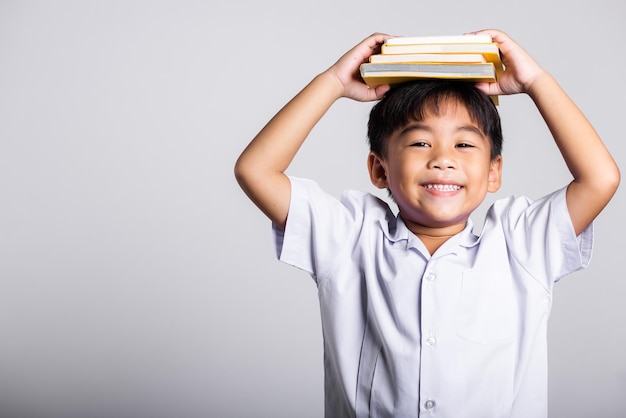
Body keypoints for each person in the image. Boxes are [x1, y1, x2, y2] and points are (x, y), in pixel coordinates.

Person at [234, 29, 619, 417]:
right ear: (379, 169)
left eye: (464, 144)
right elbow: (256, 170)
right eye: (420, 143)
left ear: (493, 172)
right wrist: (332, 82)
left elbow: (600, 179)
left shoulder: (519, 244)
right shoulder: (350, 239)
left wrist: (536, 81)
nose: (442, 159)